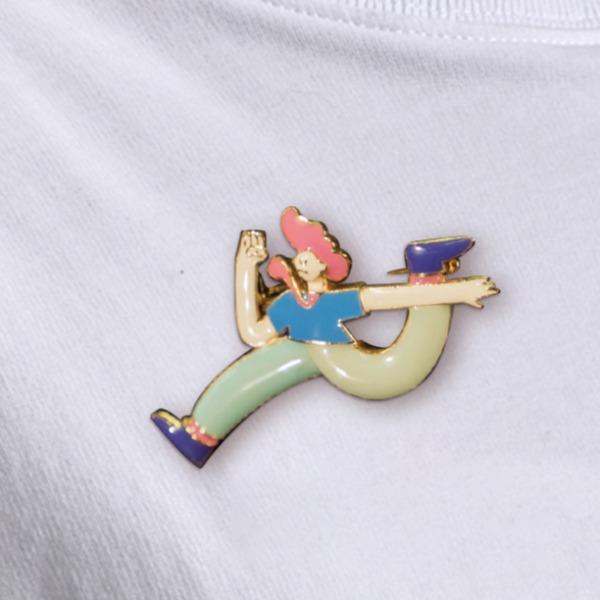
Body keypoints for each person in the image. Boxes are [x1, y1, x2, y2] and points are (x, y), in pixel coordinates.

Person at [151, 206, 498, 467]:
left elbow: (388, 298)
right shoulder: (289, 302)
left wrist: (459, 291)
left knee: (403, 367)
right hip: (307, 354)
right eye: (300, 254)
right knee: (247, 376)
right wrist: (245, 267)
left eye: (310, 256)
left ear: (326, 266)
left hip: (341, 361)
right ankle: (197, 434)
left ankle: (426, 269)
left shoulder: (332, 301)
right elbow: (253, 333)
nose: (301, 260)